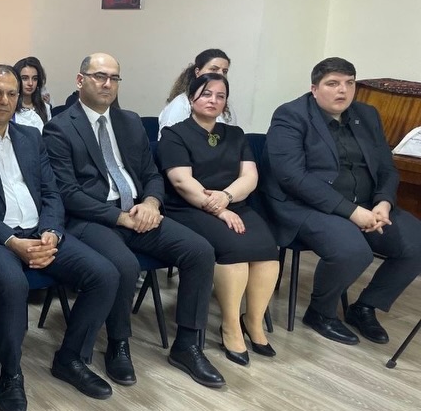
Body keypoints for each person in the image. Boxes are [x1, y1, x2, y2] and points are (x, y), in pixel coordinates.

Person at [0, 66, 122, 411]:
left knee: (104, 275)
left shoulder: (31, 136)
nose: (5, 100)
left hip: (40, 232)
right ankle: (9, 374)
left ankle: (71, 358)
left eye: (11, 93)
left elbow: (51, 192)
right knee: (13, 284)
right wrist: (11, 241)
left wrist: (51, 231)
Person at [44, 53, 224, 388]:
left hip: (139, 213)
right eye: (99, 76)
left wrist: (152, 202)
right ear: (80, 80)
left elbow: (151, 174)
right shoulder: (60, 127)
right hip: (91, 218)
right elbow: (67, 193)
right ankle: (118, 344)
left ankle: (187, 345)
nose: (107, 84)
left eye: (114, 78)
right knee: (124, 265)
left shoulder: (129, 122)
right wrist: (119, 217)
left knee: (200, 251)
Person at [261, 57, 421, 345]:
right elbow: (292, 177)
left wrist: (384, 202)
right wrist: (351, 212)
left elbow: (387, 167)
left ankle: (365, 307)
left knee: (416, 243)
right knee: (353, 251)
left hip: (367, 203)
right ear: (314, 89)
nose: (343, 90)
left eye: (349, 83)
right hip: (305, 205)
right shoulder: (290, 116)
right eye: (332, 84)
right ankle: (320, 312)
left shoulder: (367, 114)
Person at [158, 73, 279, 364]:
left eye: (220, 96)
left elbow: (250, 176)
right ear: (191, 99)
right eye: (206, 94)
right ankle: (231, 326)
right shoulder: (174, 135)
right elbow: (182, 182)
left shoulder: (235, 134)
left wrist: (226, 197)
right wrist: (219, 209)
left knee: (267, 251)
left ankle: (253, 322)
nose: (213, 100)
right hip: (189, 208)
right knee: (234, 250)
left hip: (233, 204)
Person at [158, 49, 236, 136]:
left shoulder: (225, 106)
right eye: (214, 69)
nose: (220, 75)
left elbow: (233, 138)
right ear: (197, 72)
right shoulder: (180, 104)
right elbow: (169, 139)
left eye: (224, 71)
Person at [13, 57, 51, 132]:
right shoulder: (11, 107)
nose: (30, 83)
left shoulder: (45, 107)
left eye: (35, 79)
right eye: (25, 78)